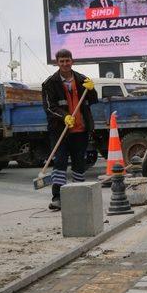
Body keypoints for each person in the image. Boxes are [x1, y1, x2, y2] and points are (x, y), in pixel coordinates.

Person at [42, 49, 98, 210]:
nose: (65, 64)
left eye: (67, 60)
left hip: (80, 129)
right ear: (57, 63)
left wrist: (92, 89)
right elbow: (49, 107)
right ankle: (58, 197)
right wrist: (64, 116)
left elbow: (93, 101)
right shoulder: (49, 83)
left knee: (79, 162)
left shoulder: (82, 80)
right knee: (59, 161)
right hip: (59, 130)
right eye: (62, 61)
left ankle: (78, 194)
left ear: (72, 61)